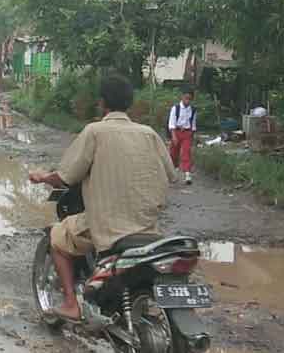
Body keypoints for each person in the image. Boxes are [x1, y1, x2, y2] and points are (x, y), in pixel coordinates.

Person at [28, 75, 179, 321]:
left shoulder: (95, 131)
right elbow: (171, 175)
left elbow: (66, 176)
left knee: (58, 236)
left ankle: (70, 304)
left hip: (110, 226)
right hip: (148, 227)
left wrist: (42, 177)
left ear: (102, 103)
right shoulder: (149, 133)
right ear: (130, 103)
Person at [168, 89, 196, 185]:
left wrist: (191, 136)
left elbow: (193, 124)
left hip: (187, 133)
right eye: (186, 98)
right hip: (176, 131)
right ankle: (173, 172)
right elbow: (171, 123)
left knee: (186, 152)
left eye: (189, 99)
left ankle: (187, 175)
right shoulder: (175, 108)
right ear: (182, 97)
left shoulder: (193, 110)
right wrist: (173, 136)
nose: (187, 101)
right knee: (173, 153)